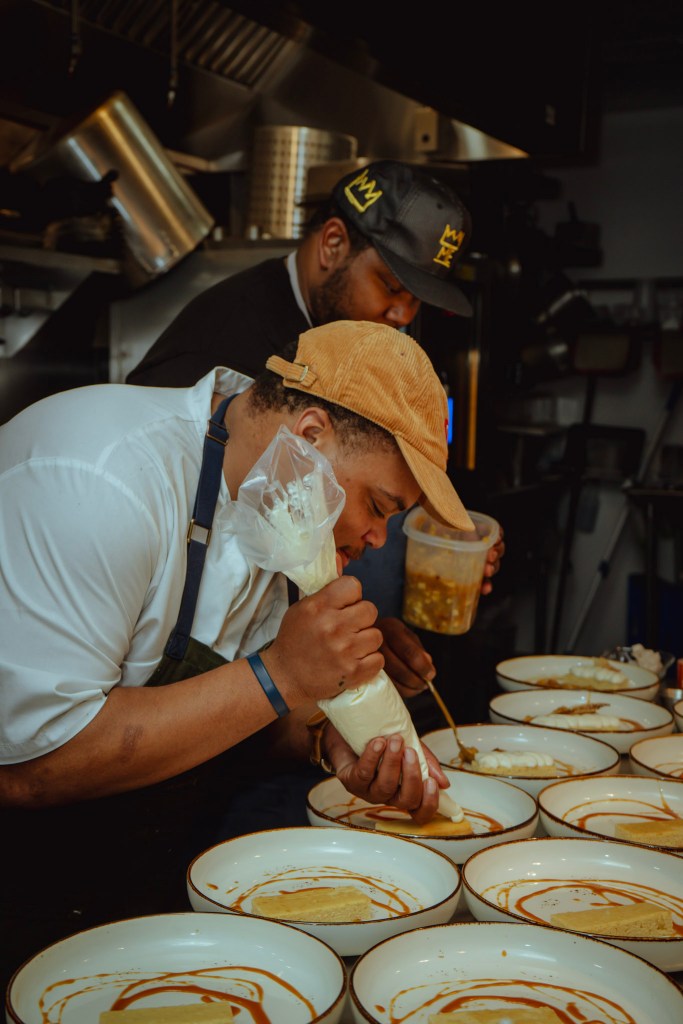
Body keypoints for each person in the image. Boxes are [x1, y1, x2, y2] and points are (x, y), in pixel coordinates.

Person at [0, 320, 469, 987]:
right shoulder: (101, 481)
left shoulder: (281, 503)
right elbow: (31, 767)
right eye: (377, 505)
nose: (375, 537)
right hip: (23, 884)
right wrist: (282, 675)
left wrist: (326, 741)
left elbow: (233, 715)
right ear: (310, 437)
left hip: (146, 870)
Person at [126, 159, 504, 683]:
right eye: (391, 286)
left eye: (415, 299)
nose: (402, 315)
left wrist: (434, 536)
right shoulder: (231, 345)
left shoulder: (354, 336)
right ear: (332, 244)